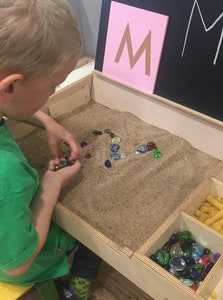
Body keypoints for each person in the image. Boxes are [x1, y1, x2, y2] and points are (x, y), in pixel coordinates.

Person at [0, 1, 102, 299]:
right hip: (18, 261)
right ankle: (77, 286)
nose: (53, 93)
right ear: (11, 87)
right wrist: (51, 184)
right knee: (90, 235)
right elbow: (17, 263)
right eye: (53, 86)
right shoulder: (7, 174)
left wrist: (44, 120)